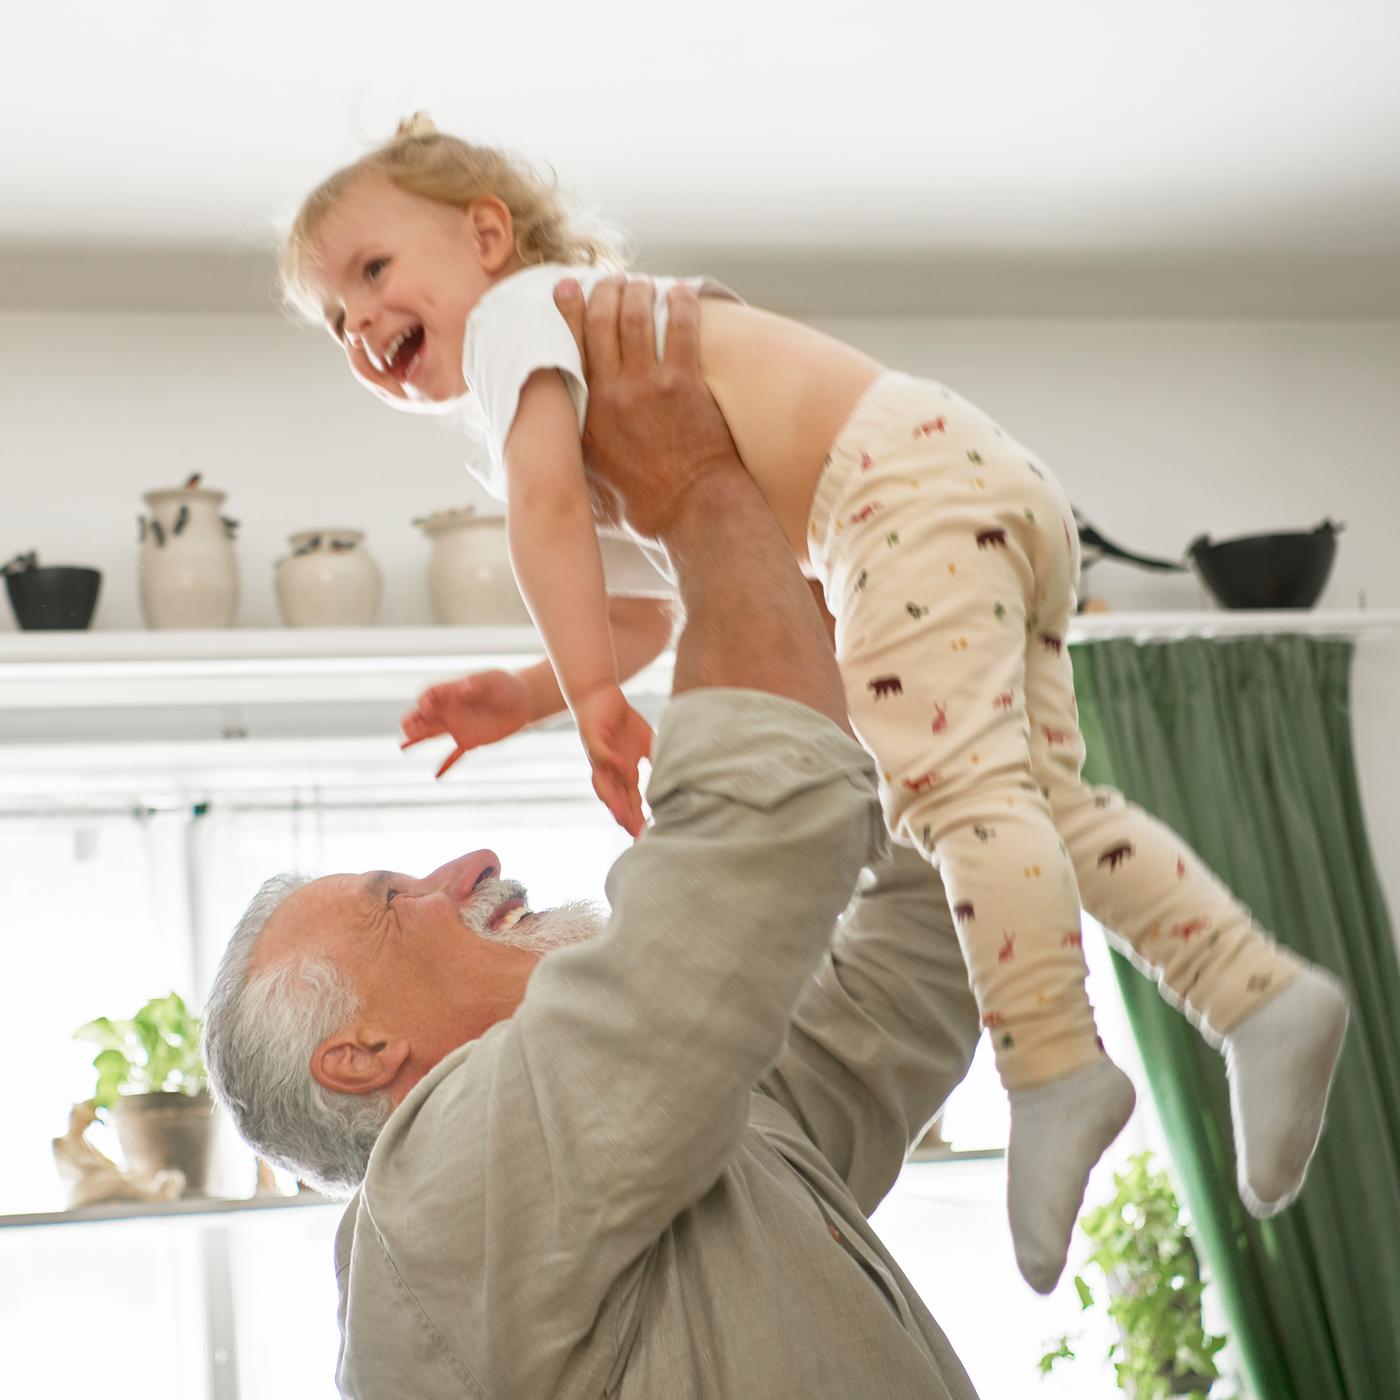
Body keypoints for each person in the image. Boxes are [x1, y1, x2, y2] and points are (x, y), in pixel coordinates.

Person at [278, 118, 1350, 1292]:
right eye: (333, 318)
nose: (359, 325)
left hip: (884, 501)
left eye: (372, 272)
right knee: (1038, 795)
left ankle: (1052, 1062)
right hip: (967, 483)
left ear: (487, 234)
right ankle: (1249, 991)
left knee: (946, 795)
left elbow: (544, 520)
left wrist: (586, 694)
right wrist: (535, 690)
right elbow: (661, 597)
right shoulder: (568, 348)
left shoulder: (520, 320)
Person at [203, 277, 984, 1399]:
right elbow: (731, 887)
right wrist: (700, 489)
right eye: (392, 897)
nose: (471, 864)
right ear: (362, 1054)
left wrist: (900, 667)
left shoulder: (698, 1114)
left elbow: (908, 984)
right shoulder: (438, 1202)